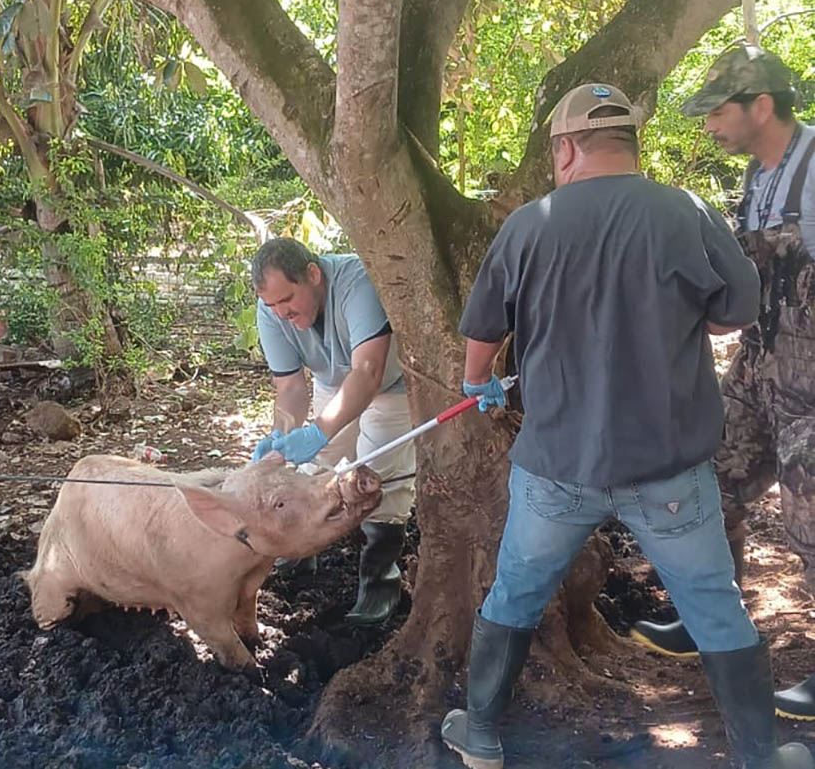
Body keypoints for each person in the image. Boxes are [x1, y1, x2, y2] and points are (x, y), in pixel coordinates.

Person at [438, 82, 812, 769]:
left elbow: (484, 327)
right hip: (667, 468)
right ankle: (762, 757)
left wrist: (475, 381)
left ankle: (481, 732)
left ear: (566, 149)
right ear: (630, 144)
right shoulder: (685, 212)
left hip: (556, 467)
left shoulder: (529, 224)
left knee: (515, 591)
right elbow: (735, 313)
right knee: (715, 604)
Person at [629, 45, 815, 722]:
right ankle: (709, 617)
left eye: (717, 112)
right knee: (708, 482)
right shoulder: (759, 179)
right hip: (757, 371)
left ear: (761, 106)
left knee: (811, 516)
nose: (708, 125)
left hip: (812, 388)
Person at [250, 238, 415, 625]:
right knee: (318, 467)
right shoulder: (272, 310)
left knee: (379, 474)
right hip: (334, 383)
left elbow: (368, 371)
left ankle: (380, 580)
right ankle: (299, 549)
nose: (282, 313)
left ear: (313, 274)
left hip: (389, 386)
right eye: (272, 305)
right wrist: (281, 439)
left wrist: (318, 432)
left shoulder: (357, 281)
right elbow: (290, 387)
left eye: (287, 300)